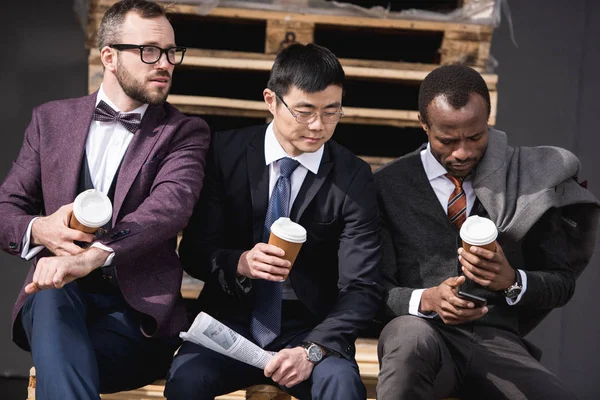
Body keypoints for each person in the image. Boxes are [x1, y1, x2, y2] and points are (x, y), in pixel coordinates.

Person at [0, 1, 210, 398]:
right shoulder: (50, 120)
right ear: (109, 56)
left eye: (171, 52)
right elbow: (5, 209)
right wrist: (40, 228)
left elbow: (170, 207)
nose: (164, 63)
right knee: (50, 297)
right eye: (149, 51)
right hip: (58, 307)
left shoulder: (184, 132)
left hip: (135, 321)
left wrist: (92, 255)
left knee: (59, 364)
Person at [165, 43, 383, 400]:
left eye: (332, 112)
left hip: (310, 327)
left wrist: (313, 349)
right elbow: (194, 251)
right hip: (229, 320)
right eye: (304, 112)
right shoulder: (224, 154)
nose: (318, 126)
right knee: (187, 380)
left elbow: (362, 287)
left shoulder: (353, 176)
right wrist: (240, 262)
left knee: (342, 385)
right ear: (271, 99)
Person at [374, 64, 600, 400]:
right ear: (424, 124)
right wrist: (427, 299)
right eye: (447, 140)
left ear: (488, 121)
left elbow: (561, 283)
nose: (462, 151)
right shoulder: (385, 185)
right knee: (408, 340)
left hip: (497, 342)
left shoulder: (530, 180)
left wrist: (511, 280)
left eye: (476, 137)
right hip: (421, 334)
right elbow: (372, 289)